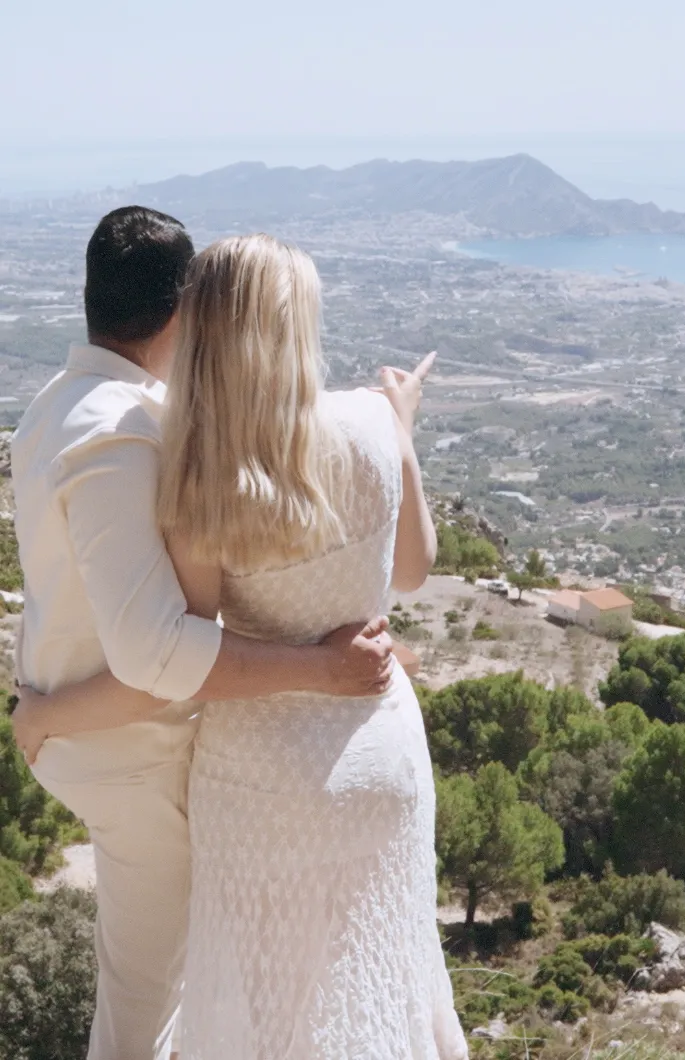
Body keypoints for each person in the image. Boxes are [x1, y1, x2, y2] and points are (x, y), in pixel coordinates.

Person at [15, 233, 468, 1058]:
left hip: (259, 779)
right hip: (381, 751)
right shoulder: (371, 418)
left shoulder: (201, 477)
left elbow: (180, 660)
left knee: (261, 1008)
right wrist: (399, 428)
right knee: (383, 978)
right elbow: (412, 571)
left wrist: (45, 713)